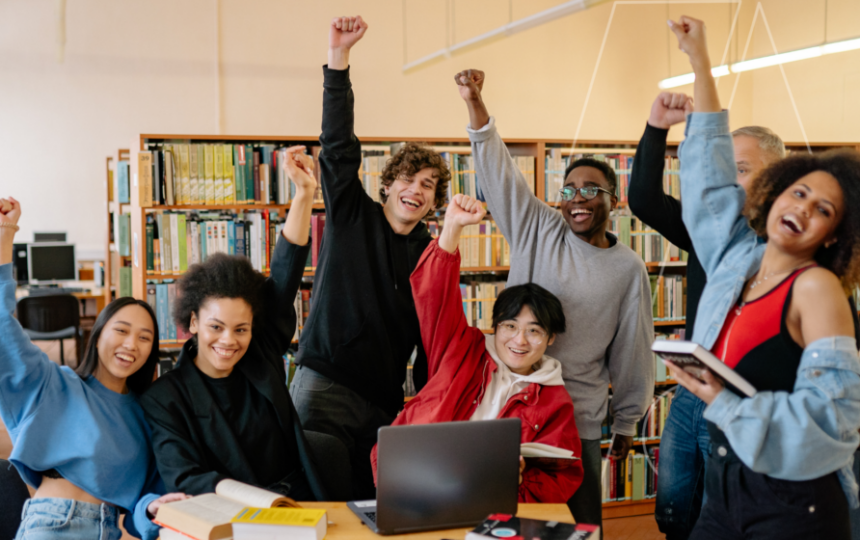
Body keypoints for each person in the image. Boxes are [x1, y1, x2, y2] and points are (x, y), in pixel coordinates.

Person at [664, 15, 860, 539]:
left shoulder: (817, 287)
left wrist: (721, 401)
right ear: (773, 195)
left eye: (823, 208)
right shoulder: (736, 256)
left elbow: (833, 422)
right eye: (799, 192)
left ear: (833, 236)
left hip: (793, 500)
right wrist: (700, 61)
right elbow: (708, 175)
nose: (803, 208)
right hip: (727, 482)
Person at [455, 69, 655, 528]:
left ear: (614, 200)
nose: (577, 199)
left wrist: (626, 422)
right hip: (512, 406)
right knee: (497, 523)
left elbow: (632, 348)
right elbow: (499, 173)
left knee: (577, 527)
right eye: (568, 190)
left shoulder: (628, 268)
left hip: (576, 417)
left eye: (591, 189)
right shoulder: (538, 228)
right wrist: (475, 103)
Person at [290, 15, 451, 500]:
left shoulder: (430, 253)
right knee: (314, 504)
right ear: (388, 184)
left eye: (428, 185)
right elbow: (338, 146)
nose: (416, 190)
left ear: (434, 201)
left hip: (384, 403)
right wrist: (338, 60)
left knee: (372, 509)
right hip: (324, 387)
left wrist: (424, 405)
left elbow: (434, 335)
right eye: (408, 179)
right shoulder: (352, 214)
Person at [627, 94, 786, 539]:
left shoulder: (793, 248)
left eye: (741, 168)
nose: (728, 182)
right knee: (673, 510)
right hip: (691, 393)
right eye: (722, 169)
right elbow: (642, 198)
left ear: (775, 175)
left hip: (743, 398)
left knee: (722, 515)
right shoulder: (706, 232)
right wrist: (658, 125)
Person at [141, 147, 328, 501]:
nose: (229, 340)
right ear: (193, 322)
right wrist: (260, 499)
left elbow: (285, 275)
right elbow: (184, 475)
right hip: (232, 510)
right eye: (216, 326)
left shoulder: (261, 354)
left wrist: (304, 194)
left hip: (302, 499)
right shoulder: (164, 398)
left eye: (240, 329)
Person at [370, 194, 584, 502]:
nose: (519, 341)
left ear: (551, 338)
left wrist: (515, 487)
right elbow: (436, 295)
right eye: (510, 327)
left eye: (534, 331)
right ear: (495, 327)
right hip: (417, 483)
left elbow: (561, 475)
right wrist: (453, 226)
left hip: (489, 503)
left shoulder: (554, 399)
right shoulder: (461, 350)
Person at [0, 197, 185, 540]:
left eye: (145, 338)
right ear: (97, 335)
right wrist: (6, 234)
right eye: (121, 330)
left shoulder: (149, 414)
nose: (131, 344)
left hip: (110, 531)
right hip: (54, 523)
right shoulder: (54, 384)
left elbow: (145, 499)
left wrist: (149, 510)